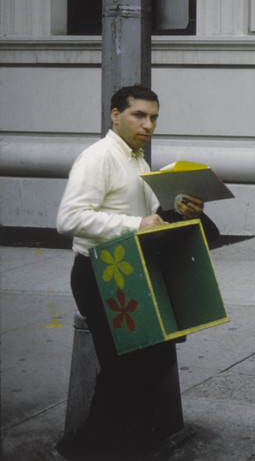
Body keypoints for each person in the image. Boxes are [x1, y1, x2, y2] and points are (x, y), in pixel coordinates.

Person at [55, 85, 207, 459]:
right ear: (115, 115)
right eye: (139, 115)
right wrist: (135, 225)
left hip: (128, 271)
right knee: (124, 367)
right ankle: (84, 449)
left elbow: (147, 211)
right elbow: (69, 218)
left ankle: (117, 442)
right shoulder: (98, 158)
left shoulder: (136, 159)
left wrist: (177, 206)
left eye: (153, 117)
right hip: (98, 272)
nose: (148, 124)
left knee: (149, 360)